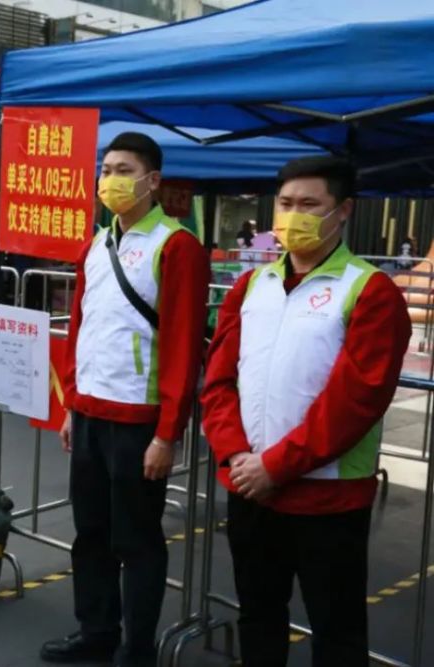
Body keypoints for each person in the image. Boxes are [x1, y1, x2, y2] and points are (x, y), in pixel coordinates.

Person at [202, 156, 411, 667]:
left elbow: (355, 401)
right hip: (250, 487)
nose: (293, 216)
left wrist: (277, 464)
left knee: (335, 631)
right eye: (286, 204)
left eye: (309, 205)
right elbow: (217, 382)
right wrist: (236, 456)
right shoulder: (251, 287)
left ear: (342, 211)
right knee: (259, 615)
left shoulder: (370, 291)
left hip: (328, 498)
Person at [41, 132, 210, 667]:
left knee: (136, 542)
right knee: (90, 534)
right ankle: (96, 631)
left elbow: (183, 345)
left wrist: (167, 433)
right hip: (89, 412)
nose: (109, 179)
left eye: (123, 169)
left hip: (139, 424)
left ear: (152, 180)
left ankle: (137, 651)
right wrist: (71, 405)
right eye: (106, 168)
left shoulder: (177, 245)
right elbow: (83, 328)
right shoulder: (95, 245)